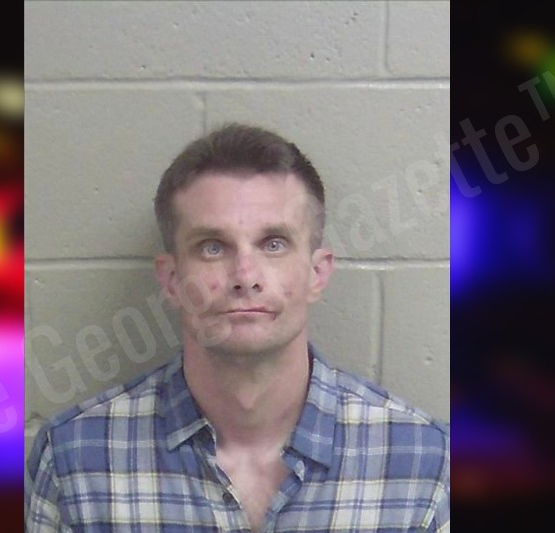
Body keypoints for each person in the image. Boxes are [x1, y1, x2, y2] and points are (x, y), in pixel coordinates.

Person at [25, 124, 449, 532]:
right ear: (171, 280)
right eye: (212, 247)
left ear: (317, 273)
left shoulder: (424, 466)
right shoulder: (75, 462)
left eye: (274, 244)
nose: (245, 276)